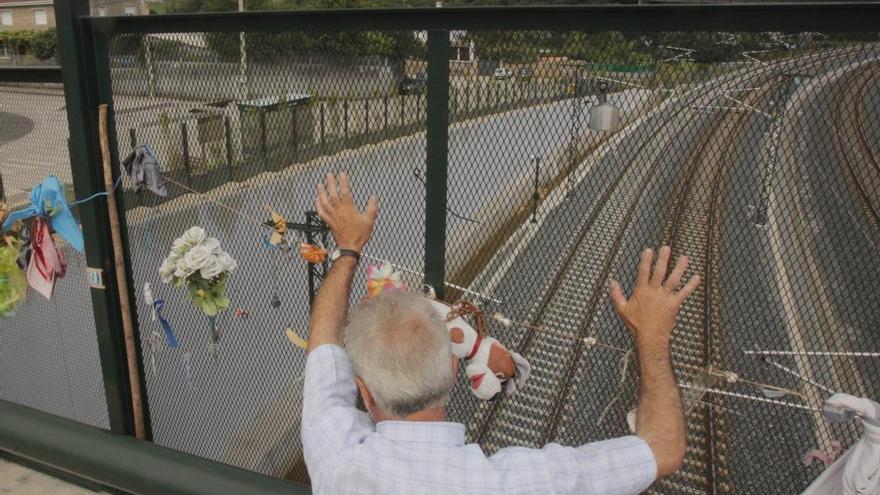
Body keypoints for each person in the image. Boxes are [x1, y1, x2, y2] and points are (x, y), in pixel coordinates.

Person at [302, 172, 701, 495]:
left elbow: (322, 345)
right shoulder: (520, 482)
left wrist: (349, 248)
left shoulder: (336, 458)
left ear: (365, 393)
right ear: (454, 373)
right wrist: (652, 339)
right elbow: (662, 450)